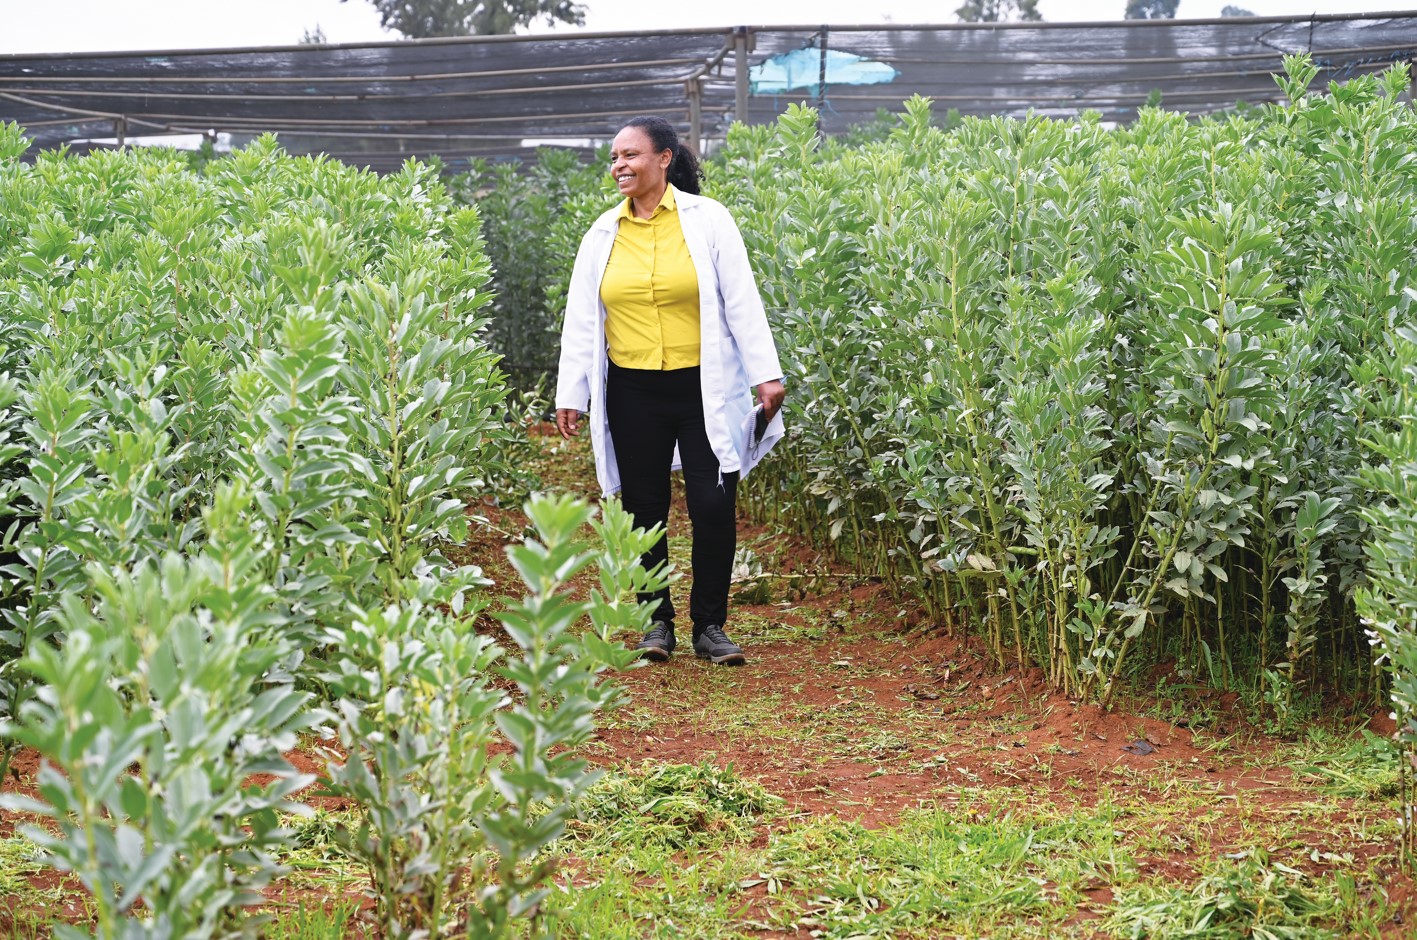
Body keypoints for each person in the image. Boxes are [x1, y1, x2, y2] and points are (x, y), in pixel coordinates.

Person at [555, 115, 786, 666]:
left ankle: (710, 624)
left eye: (630, 155)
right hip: (632, 392)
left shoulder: (709, 221)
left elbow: (741, 299)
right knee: (643, 510)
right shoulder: (601, 235)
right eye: (614, 158)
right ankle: (656, 621)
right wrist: (573, 392)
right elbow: (582, 319)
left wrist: (765, 373)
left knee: (713, 503)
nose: (619, 166)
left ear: (664, 159)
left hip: (702, 386)